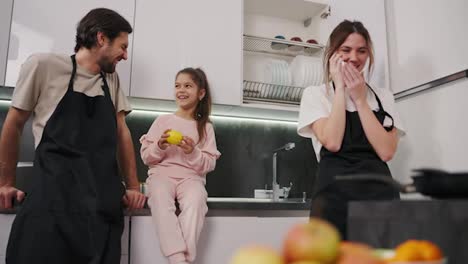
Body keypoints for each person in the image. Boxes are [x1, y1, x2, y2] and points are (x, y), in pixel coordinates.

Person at [0, 8, 146, 263]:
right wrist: (5, 183)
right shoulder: (43, 65)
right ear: (101, 38)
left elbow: (122, 133)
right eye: (122, 46)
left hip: (101, 209)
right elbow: (13, 124)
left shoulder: (111, 80)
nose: (124, 55)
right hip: (52, 203)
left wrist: (133, 186)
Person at [297, 20, 406, 238]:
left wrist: (360, 100)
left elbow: (386, 151)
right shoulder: (316, 94)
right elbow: (332, 141)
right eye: (346, 50)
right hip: (333, 200)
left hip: (380, 197)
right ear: (332, 53)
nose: (354, 58)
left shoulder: (384, 97)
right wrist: (340, 90)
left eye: (361, 51)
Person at [140, 67, 221, 264]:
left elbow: (208, 164)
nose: (181, 90)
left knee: (197, 200)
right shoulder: (163, 121)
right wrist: (159, 146)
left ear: (201, 93)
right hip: (162, 175)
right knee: (159, 197)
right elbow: (146, 157)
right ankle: (177, 257)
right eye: (177, 86)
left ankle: (186, 258)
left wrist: (192, 152)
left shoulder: (206, 128)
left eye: (187, 86)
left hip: (191, 178)